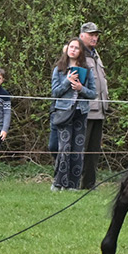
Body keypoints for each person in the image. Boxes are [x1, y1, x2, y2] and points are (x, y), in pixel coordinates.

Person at [50, 38, 90, 191]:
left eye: (76, 48)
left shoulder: (87, 70)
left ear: (81, 52)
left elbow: (92, 93)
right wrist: (67, 81)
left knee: (77, 149)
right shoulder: (59, 69)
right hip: (63, 112)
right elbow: (55, 92)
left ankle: (73, 185)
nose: (73, 50)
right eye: (71, 47)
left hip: (81, 112)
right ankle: (59, 183)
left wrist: (81, 88)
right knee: (64, 148)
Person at [75, 22, 109, 190]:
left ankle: (89, 184)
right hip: (85, 110)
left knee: (94, 150)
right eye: (91, 35)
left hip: (99, 109)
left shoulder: (95, 55)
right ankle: (74, 182)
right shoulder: (78, 55)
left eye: (96, 35)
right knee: (80, 148)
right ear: (82, 35)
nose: (94, 38)